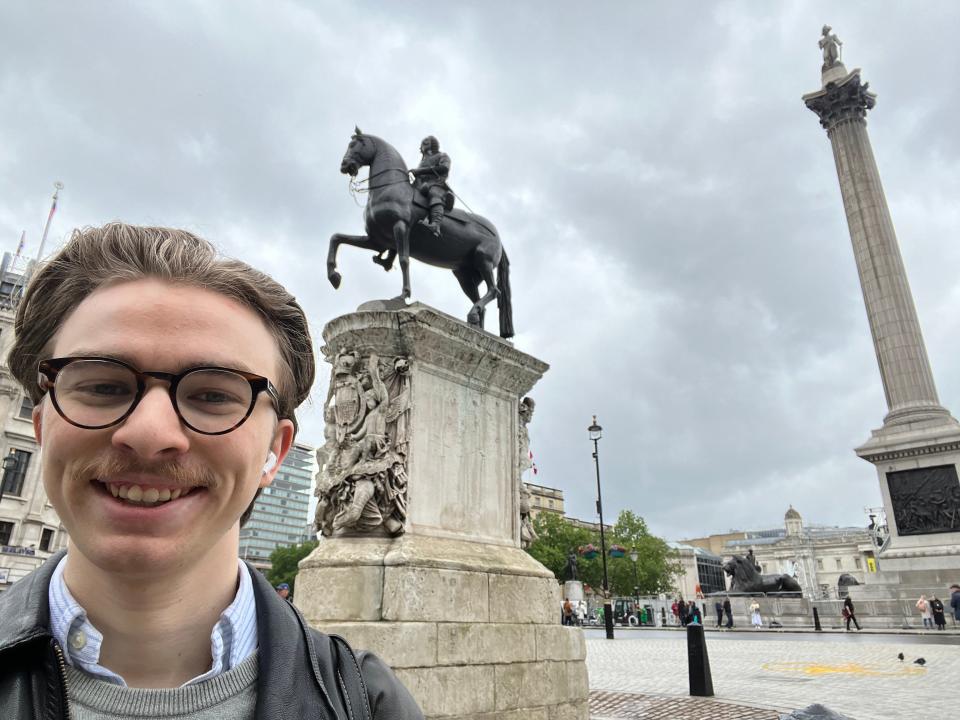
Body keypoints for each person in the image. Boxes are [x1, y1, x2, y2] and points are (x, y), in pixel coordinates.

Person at [0, 223, 424, 719]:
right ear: (42, 425)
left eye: (213, 395)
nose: (150, 433)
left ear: (276, 452)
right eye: (102, 385)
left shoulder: (371, 706)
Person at [410, 135, 451, 237]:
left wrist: (420, 171)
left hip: (435, 184)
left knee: (434, 193)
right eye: (423, 142)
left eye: (425, 142)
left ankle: (436, 225)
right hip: (419, 186)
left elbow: (444, 168)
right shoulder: (422, 161)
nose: (422, 145)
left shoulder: (442, 155)